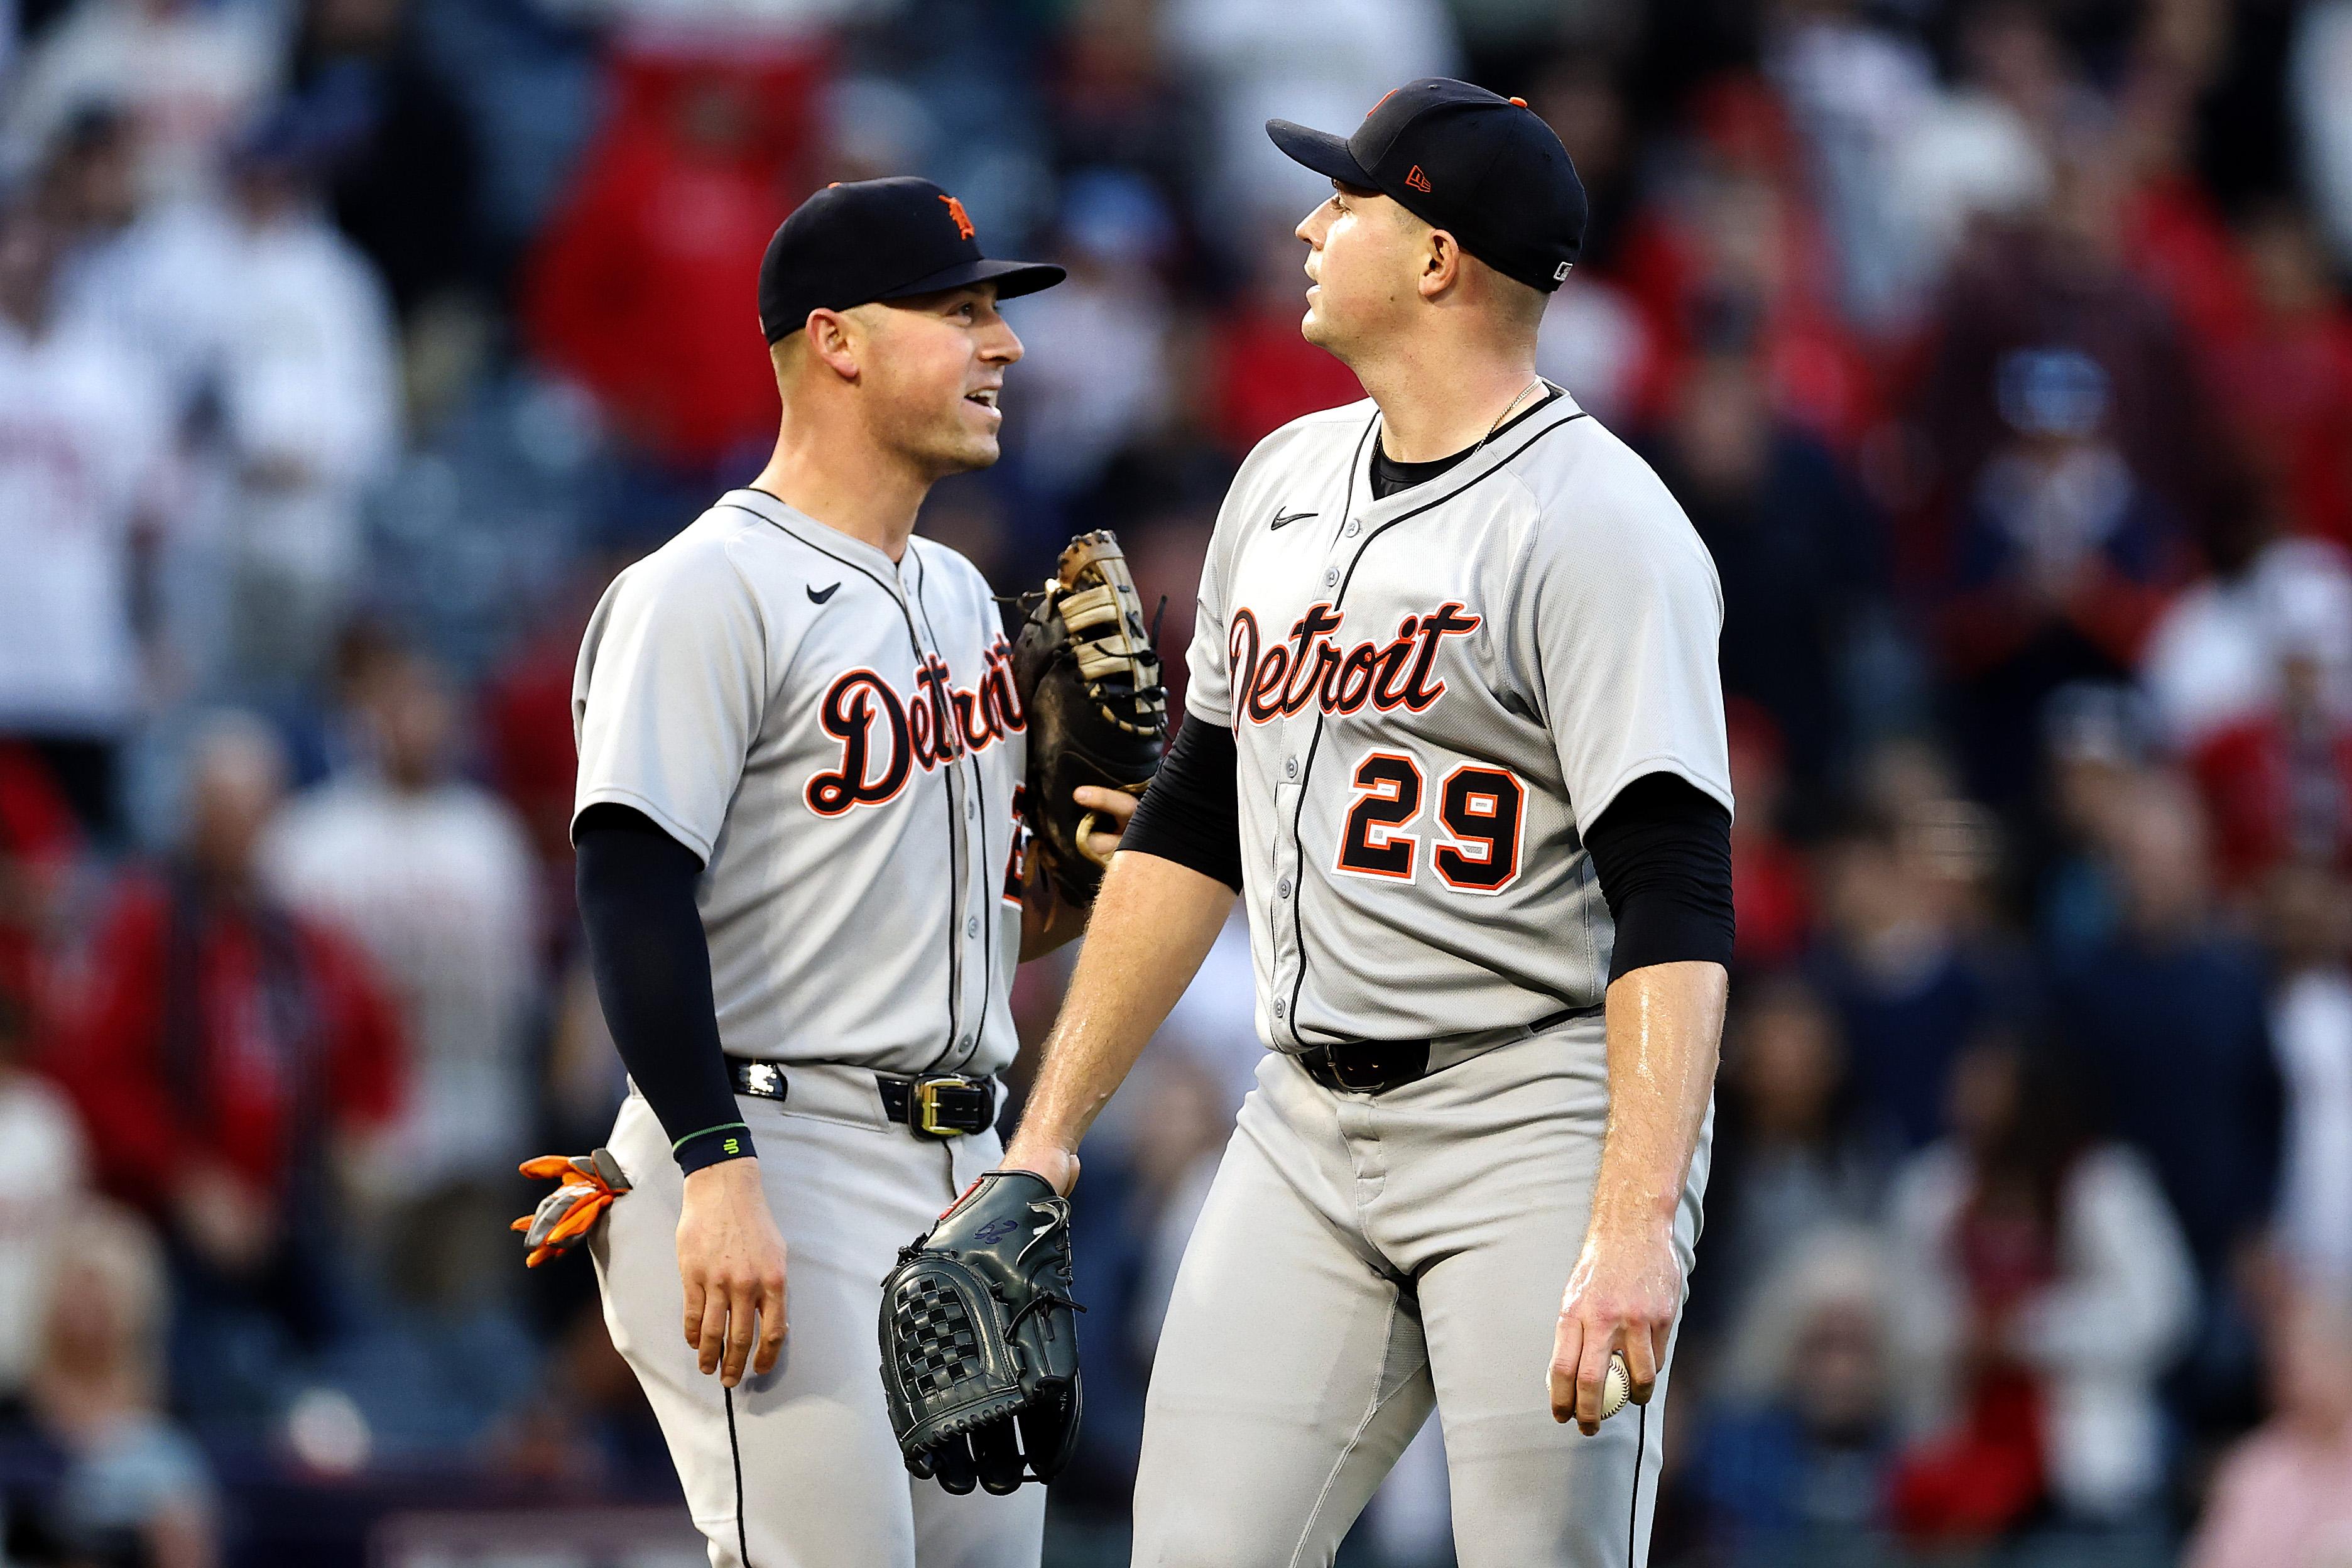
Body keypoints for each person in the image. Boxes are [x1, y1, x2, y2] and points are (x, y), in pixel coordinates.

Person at [1000, 80, 1735, 1565]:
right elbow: (1190, 821)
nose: (1307, 223)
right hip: (1305, 1122)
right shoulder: (1277, 479)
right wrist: (1048, 1136)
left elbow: (1675, 894)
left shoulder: (1600, 524)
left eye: (1348, 201)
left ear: (1440, 259)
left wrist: (1635, 1219)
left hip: (1535, 1111)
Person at [566, 177, 1130, 1568]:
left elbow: (979, 931)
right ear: (837, 341)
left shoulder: (953, 596)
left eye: (999, 315)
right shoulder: (706, 587)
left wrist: (1087, 875)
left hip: (960, 1164)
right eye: (961, 311)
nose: (1003, 346)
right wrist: (713, 1168)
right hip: (772, 1148)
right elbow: (628, 886)